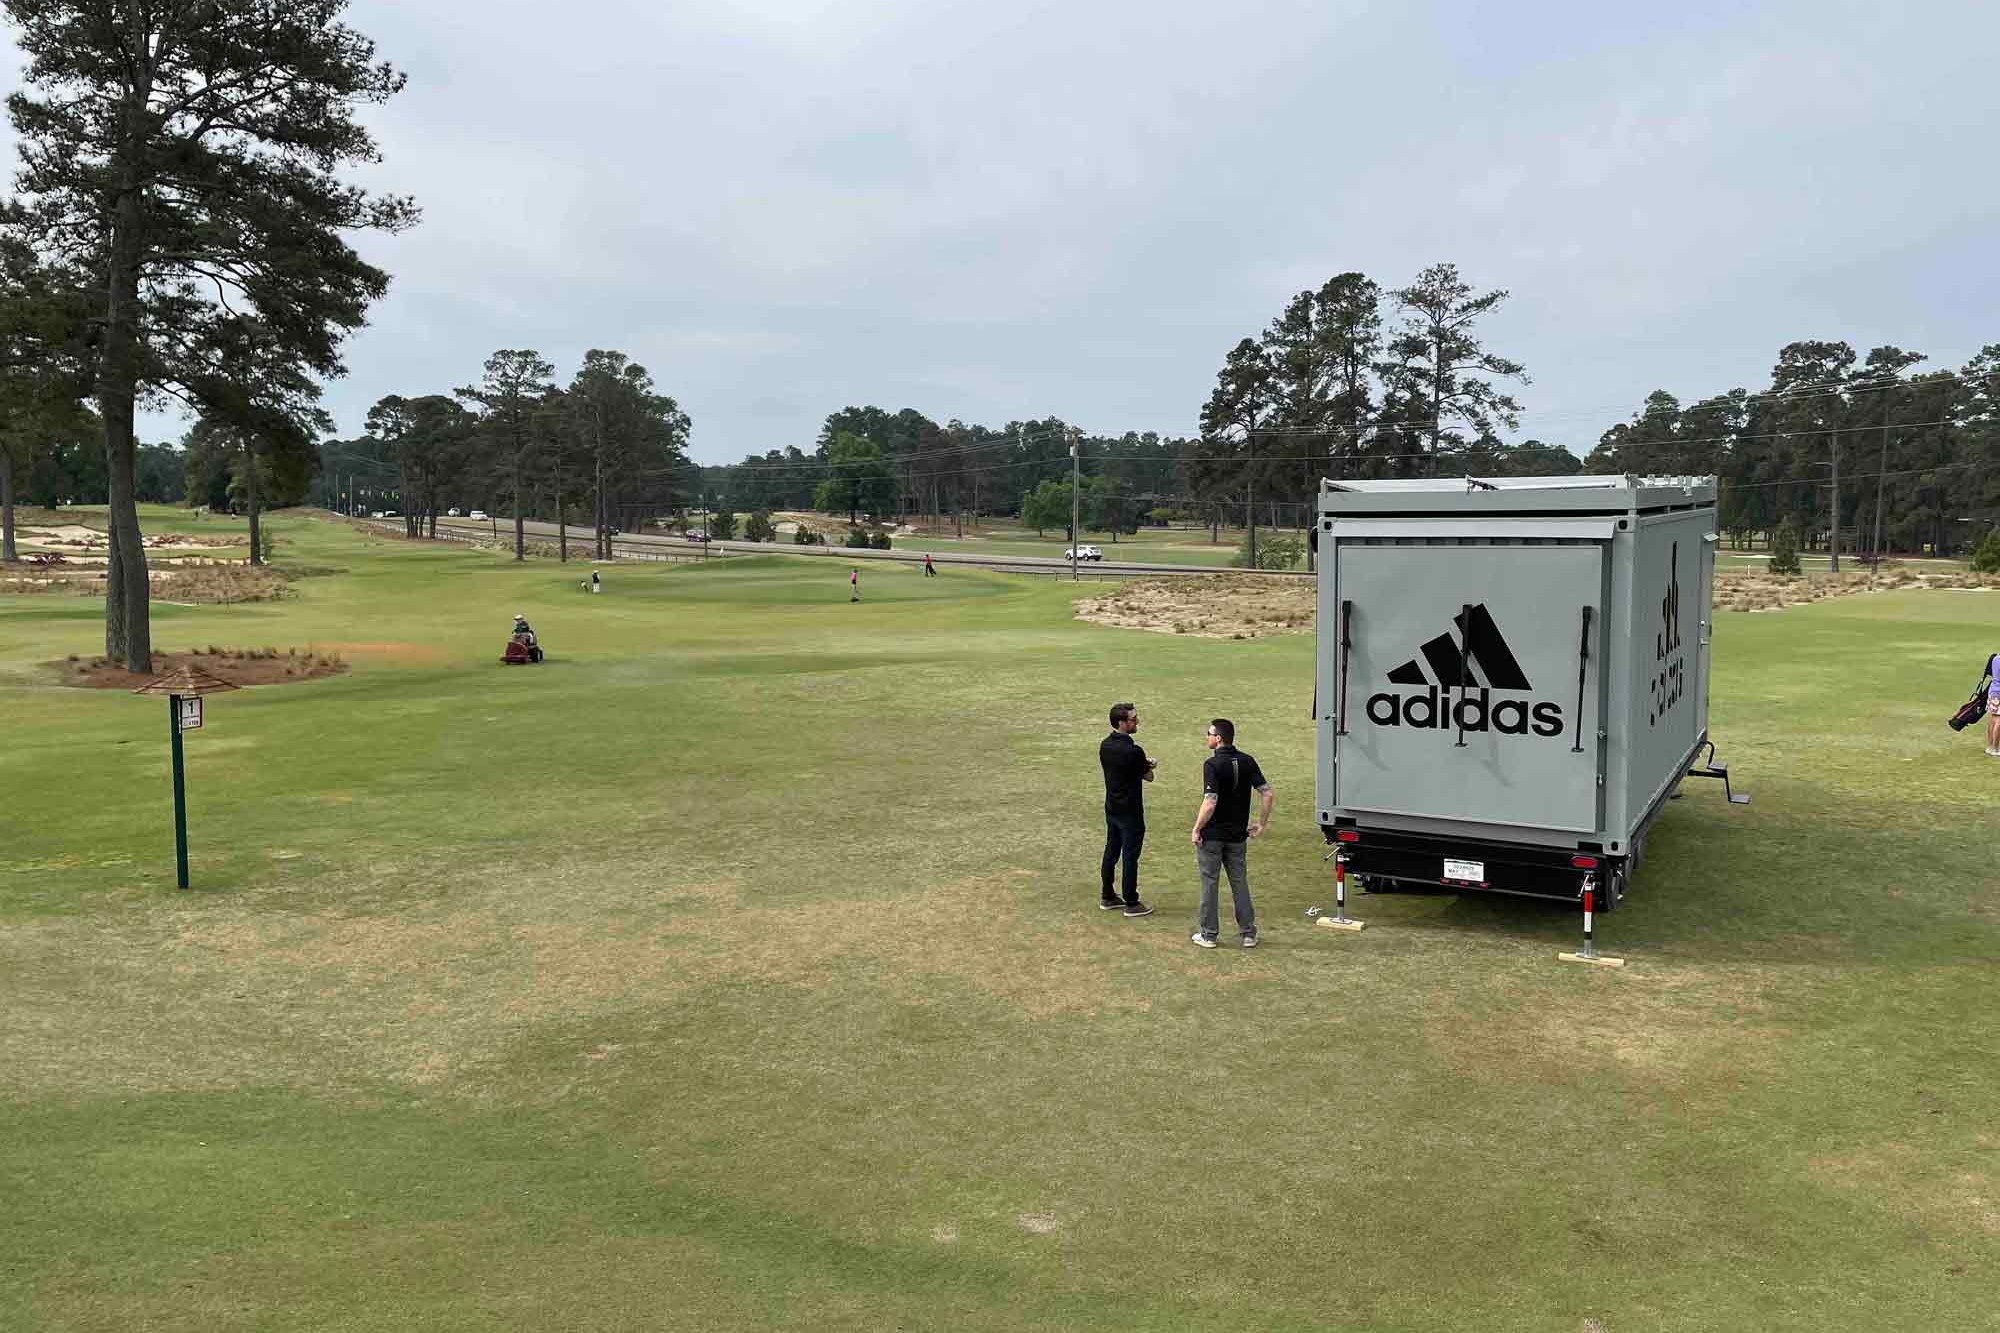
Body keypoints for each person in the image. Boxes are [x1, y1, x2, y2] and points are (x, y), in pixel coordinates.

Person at [1189, 718, 1271, 949]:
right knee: (1239, 883)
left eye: (1208, 733)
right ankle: (1248, 933)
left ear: (1218, 738)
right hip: (1237, 835)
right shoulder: (1247, 761)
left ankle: (1208, 935)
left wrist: (1196, 828)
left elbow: (1210, 802)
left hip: (1213, 836)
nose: (1206, 737)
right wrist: (1261, 824)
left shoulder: (1212, 765)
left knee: (1209, 883)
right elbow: (1267, 793)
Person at [1098, 702, 1156, 916]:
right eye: (1133, 719)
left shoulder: (1105, 745)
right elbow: (1148, 776)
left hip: (1112, 807)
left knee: (1111, 850)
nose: (1136, 722)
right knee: (1130, 855)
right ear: (1122, 723)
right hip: (1131, 811)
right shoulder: (1133, 751)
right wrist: (1148, 765)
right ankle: (1132, 901)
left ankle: (1108, 895)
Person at [1987, 652, 2000, 756]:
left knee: (1992, 718)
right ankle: (1995, 749)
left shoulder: (1995, 657)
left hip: (1993, 691)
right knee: (1998, 721)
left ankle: (1990, 747)